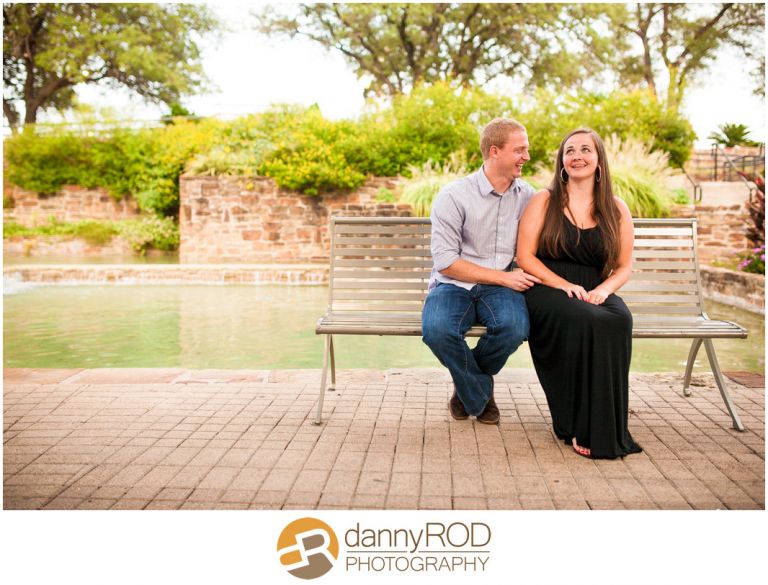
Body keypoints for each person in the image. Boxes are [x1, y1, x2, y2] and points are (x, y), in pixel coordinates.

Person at [516, 127, 642, 459]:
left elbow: (623, 267)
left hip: (593, 290)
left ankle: (608, 425)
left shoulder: (616, 208)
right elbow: (525, 257)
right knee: (588, 319)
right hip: (546, 286)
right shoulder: (544, 200)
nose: (577, 156)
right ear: (562, 161)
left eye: (586, 150)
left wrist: (603, 290)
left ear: (599, 160)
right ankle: (577, 422)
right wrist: (563, 285)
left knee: (619, 319)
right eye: (569, 151)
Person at [422, 118, 541, 425]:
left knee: (514, 329)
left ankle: (465, 390)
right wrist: (505, 277)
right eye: (520, 150)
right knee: (437, 331)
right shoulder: (454, 196)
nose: (527, 157)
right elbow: (446, 261)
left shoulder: (527, 196)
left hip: (499, 287)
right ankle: (479, 392)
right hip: (452, 284)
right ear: (494, 151)